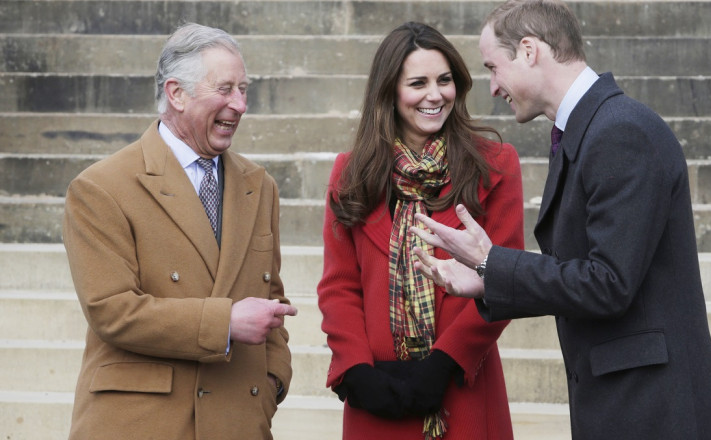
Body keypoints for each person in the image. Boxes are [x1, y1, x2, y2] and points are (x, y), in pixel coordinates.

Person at [410, 1, 711, 439]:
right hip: (626, 404)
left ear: (529, 51)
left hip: (655, 411)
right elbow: (584, 273)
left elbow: (608, 283)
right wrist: (489, 280)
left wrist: (492, 262)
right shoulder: (590, 129)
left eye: (493, 67)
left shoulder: (620, 131)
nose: (493, 87)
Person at [62, 23, 297, 440]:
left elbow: (271, 298)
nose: (240, 104)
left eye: (244, 89)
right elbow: (112, 311)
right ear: (176, 94)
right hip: (143, 425)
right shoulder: (101, 187)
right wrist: (224, 322)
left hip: (237, 422)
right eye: (225, 89)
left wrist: (272, 382)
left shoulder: (260, 186)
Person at [316, 22, 525, 440]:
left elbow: (505, 280)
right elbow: (339, 286)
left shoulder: (497, 165)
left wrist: (444, 362)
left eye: (444, 80)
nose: (435, 95)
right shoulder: (350, 173)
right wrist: (355, 370)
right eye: (418, 83)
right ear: (390, 92)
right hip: (378, 395)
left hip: (461, 387)